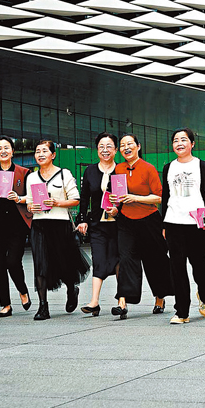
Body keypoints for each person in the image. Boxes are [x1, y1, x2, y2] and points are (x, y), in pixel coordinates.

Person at [25, 139, 89, 321]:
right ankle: (43, 306)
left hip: (60, 224)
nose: (40, 154)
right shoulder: (31, 177)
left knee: (64, 263)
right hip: (39, 225)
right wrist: (31, 207)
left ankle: (72, 289)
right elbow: (29, 202)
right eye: (37, 151)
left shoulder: (64, 174)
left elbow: (75, 199)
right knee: (41, 264)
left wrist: (57, 203)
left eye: (45, 151)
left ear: (53, 155)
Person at [161, 127, 205, 325]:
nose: (179, 143)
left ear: (192, 144)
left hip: (196, 222)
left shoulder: (201, 166)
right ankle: (182, 311)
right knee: (177, 267)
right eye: (176, 140)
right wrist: (163, 223)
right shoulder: (168, 167)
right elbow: (165, 197)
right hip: (173, 222)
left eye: (184, 139)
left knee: (199, 264)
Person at [110, 133, 172, 320]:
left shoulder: (148, 168)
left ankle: (159, 298)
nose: (126, 147)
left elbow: (159, 197)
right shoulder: (118, 169)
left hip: (149, 220)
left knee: (154, 260)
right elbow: (116, 196)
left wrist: (136, 198)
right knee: (126, 259)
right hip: (126, 221)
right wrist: (113, 206)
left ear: (138, 146)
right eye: (122, 145)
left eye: (130, 144)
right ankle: (122, 302)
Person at [0, 136, 32, 317]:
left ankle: (22, 289)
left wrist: (18, 198)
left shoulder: (24, 173)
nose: (2, 151)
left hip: (17, 225)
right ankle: (5, 304)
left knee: (13, 261)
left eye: (6, 147)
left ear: (12, 151)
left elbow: (32, 197)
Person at [76, 132, 120, 316]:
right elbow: (84, 197)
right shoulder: (90, 171)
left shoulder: (122, 170)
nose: (105, 150)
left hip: (119, 224)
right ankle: (94, 301)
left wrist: (118, 209)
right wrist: (82, 220)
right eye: (101, 146)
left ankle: (122, 301)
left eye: (109, 146)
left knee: (119, 261)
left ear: (116, 150)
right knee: (98, 258)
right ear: (97, 150)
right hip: (97, 224)